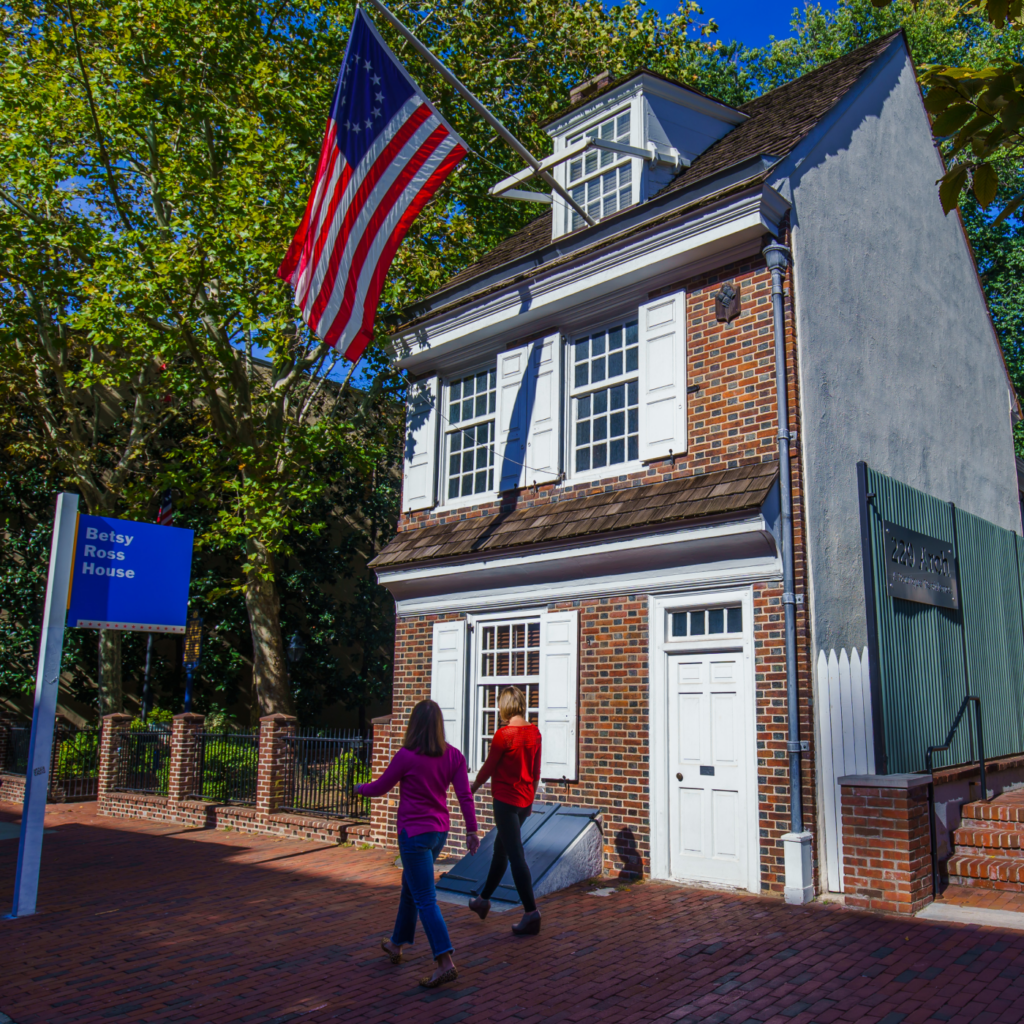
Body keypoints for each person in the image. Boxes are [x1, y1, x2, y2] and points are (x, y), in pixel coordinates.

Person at [356, 700, 480, 988]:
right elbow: (465, 797)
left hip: (413, 836)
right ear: (438, 725)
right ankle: (397, 943)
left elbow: (380, 787)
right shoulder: (454, 757)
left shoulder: (406, 756)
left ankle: (445, 961)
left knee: (425, 897)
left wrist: (359, 788)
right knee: (410, 887)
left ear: (414, 725)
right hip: (439, 834)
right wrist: (472, 831)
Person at [468, 685, 543, 935]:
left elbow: (489, 767)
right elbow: (535, 772)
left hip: (505, 801)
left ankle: (531, 912)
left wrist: (473, 787)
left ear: (505, 706)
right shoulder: (535, 733)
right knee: (501, 850)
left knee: (515, 856)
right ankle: (483, 900)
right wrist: (530, 802)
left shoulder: (504, 735)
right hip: (523, 802)